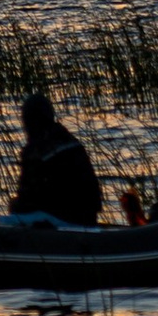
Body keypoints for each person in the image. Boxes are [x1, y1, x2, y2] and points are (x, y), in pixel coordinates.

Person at [12, 87, 102, 225]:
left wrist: (16, 207)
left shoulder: (37, 151)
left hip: (60, 220)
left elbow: (26, 199)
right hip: (88, 219)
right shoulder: (71, 141)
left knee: (9, 213)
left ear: (30, 121)